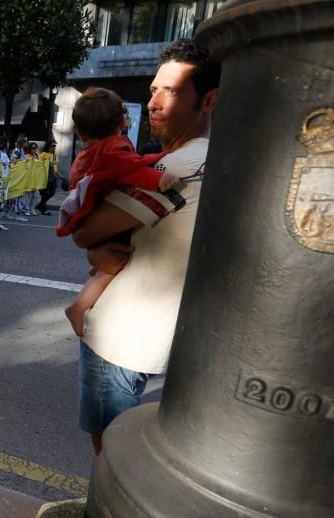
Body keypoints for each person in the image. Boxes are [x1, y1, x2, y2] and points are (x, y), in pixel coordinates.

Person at [70, 39, 219, 454]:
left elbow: (85, 233)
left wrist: (91, 250)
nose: (154, 102)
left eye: (170, 91)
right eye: (153, 89)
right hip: (154, 333)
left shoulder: (176, 166)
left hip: (120, 336)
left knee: (111, 449)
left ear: (209, 99)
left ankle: (110, 514)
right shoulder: (218, 158)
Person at [59, 87, 180, 338]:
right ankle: (79, 307)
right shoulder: (112, 149)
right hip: (100, 219)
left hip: (90, 215)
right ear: (121, 123)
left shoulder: (86, 154)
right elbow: (128, 170)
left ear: (80, 130)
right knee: (114, 266)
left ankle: (93, 279)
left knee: (106, 261)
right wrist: (159, 178)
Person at [35, 140, 59, 214]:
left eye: (55, 146)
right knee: (44, 194)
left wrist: (58, 174)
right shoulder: (44, 154)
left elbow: (54, 165)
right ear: (48, 147)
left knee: (52, 192)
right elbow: (38, 164)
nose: (54, 147)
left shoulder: (54, 154)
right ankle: (43, 209)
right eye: (52, 146)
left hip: (52, 177)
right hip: (45, 177)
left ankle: (41, 205)